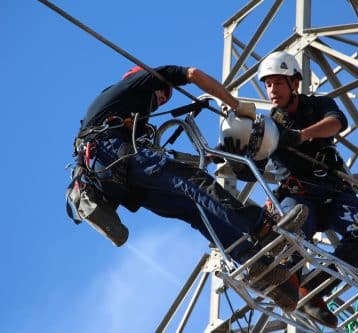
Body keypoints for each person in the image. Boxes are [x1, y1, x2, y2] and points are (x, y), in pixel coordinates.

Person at [66, 64, 308, 311]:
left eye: (165, 98)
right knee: (197, 184)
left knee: (195, 208)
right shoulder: (134, 83)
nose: (162, 100)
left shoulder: (126, 118)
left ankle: (252, 264)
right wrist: (236, 106)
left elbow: (164, 164)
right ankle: (262, 227)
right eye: (162, 93)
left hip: (119, 175)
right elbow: (192, 74)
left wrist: (219, 155)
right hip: (115, 156)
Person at [221, 51, 358, 328]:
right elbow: (254, 172)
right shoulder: (267, 128)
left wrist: (299, 136)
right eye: (268, 84)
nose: (272, 90)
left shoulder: (319, 106)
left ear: (294, 84)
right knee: (288, 231)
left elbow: (337, 123)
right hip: (298, 198)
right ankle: (290, 282)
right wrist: (237, 160)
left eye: (278, 83)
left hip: (334, 194)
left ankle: (314, 290)